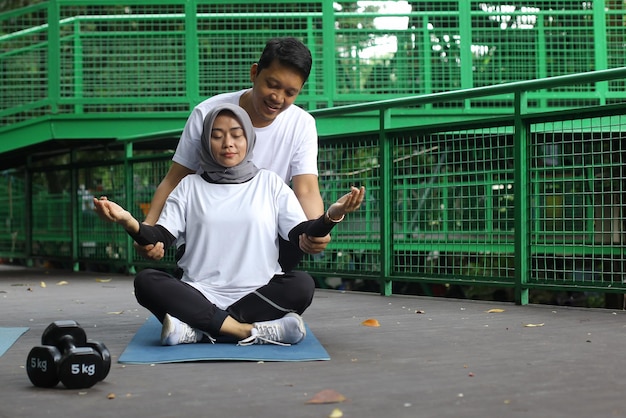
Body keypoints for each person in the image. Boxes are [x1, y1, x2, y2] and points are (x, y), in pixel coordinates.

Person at [93, 104, 365, 346]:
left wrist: (332, 215)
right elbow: (159, 236)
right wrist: (128, 222)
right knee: (146, 282)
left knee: (302, 285)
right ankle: (246, 330)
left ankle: (198, 330)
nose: (228, 143)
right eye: (217, 134)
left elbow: (301, 234)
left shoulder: (269, 183)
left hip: (258, 292)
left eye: (237, 134)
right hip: (198, 292)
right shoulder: (189, 186)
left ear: (249, 138)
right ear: (205, 141)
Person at [137, 37, 328, 271]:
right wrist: (149, 230)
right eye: (272, 85)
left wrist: (316, 231)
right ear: (254, 73)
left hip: (262, 236)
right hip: (208, 237)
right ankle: (241, 304)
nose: (278, 98)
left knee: (300, 280)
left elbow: (307, 189)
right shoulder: (207, 113)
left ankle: (215, 306)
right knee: (149, 283)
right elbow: (174, 179)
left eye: (290, 92)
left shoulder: (302, 124)